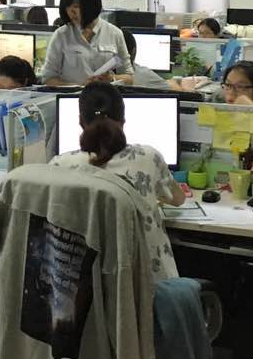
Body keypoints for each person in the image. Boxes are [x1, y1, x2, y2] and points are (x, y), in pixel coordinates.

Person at [50, 84, 182, 281]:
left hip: (87, 287)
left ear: (80, 121)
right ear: (123, 122)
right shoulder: (149, 157)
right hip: (149, 285)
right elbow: (178, 200)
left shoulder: (59, 165)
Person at [42, 0, 133, 86]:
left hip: (104, 95)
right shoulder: (61, 35)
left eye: (76, 6)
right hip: (71, 96)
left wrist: (111, 79)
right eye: (68, 7)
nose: (71, 12)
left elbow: (129, 78)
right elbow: (48, 78)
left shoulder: (114, 34)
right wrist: (79, 88)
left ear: (91, 5)